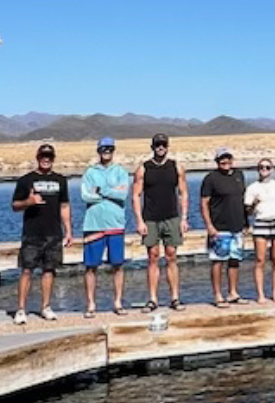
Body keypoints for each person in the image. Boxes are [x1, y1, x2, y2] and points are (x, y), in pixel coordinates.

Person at [9, 144, 73, 323]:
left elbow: (64, 205)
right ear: (38, 158)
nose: (46, 159)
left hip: (53, 232)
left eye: (49, 157)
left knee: (49, 270)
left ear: (53, 159)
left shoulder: (61, 180)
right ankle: (21, 309)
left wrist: (68, 230)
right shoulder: (25, 180)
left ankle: (46, 307)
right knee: (27, 270)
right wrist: (29, 201)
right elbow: (14, 205)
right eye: (43, 156)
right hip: (32, 233)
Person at [134, 133, 190, 311]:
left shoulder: (176, 167)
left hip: (171, 217)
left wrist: (184, 218)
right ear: (152, 147)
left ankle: (175, 298)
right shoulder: (144, 168)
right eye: (157, 144)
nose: (160, 147)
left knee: (172, 255)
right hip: (150, 218)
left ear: (167, 146)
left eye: (163, 144)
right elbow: (135, 195)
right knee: (153, 257)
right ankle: (153, 299)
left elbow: (183, 193)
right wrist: (139, 220)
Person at [79, 138, 131, 317]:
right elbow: (86, 195)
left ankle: (118, 302)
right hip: (93, 224)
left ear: (113, 150)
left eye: (109, 148)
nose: (106, 151)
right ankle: (91, 304)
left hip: (116, 224)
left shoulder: (121, 171)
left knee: (117, 264)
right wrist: (111, 192)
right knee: (91, 266)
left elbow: (123, 194)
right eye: (103, 149)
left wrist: (102, 190)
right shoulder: (90, 172)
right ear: (98, 150)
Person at [200, 148, 249, 306]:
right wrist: (209, 225)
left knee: (234, 260)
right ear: (217, 161)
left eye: (228, 158)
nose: (225, 162)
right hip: (219, 227)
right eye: (222, 159)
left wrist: (246, 223)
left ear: (232, 160)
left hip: (237, 226)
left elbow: (242, 200)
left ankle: (233, 293)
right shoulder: (210, 178)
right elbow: (204, 203)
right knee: (218, 261)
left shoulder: (239, 175)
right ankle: (218, 295)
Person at [245, 158, 275, 301]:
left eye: (267, 167)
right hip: (261, 224)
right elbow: (248, 211)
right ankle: (261, 294)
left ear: (272, 170)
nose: (264, 170)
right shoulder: (252, 188)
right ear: (257, 170)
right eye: (261, 167)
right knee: (260, 260)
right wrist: (254, 204)